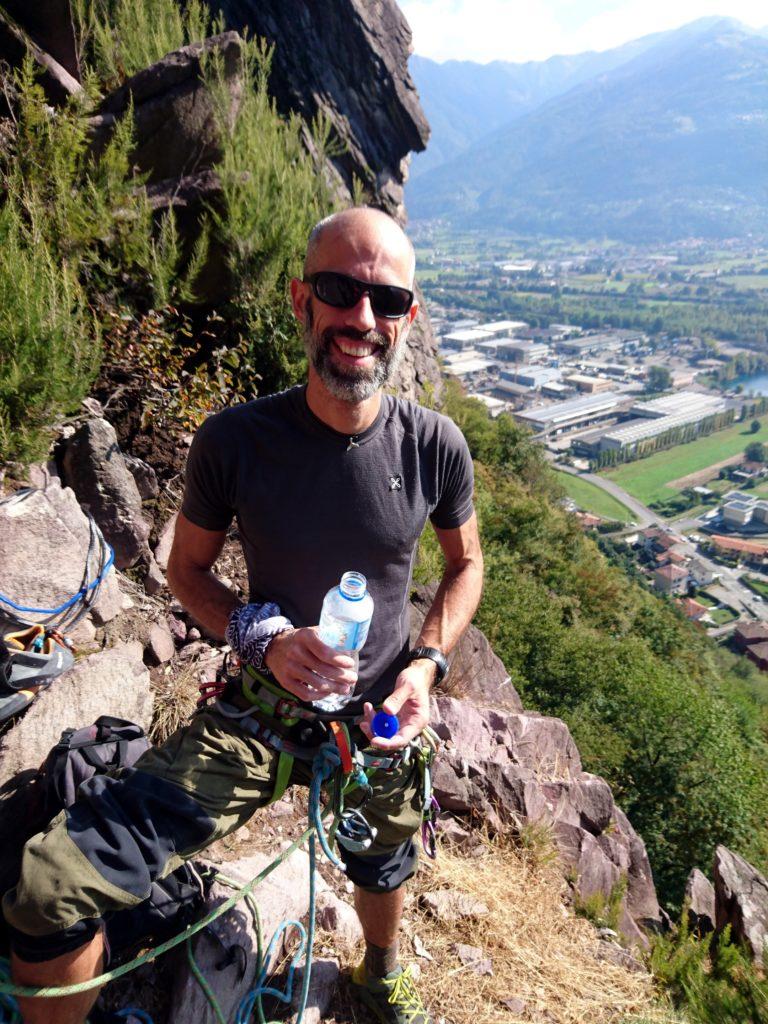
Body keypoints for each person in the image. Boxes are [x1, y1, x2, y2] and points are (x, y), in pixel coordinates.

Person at [3, 206, 483, 1024]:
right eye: (340, 290)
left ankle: (378, 971)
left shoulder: (434, 444)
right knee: (46, 893)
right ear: (301, 298)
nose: (362, 319)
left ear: (410, 316)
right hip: (258, 716)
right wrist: (259, 634)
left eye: (387, 301)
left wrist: (424, 666)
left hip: (378, 720)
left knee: (385, 860)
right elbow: (185, 569)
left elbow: (465, 564)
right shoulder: (235, 441)